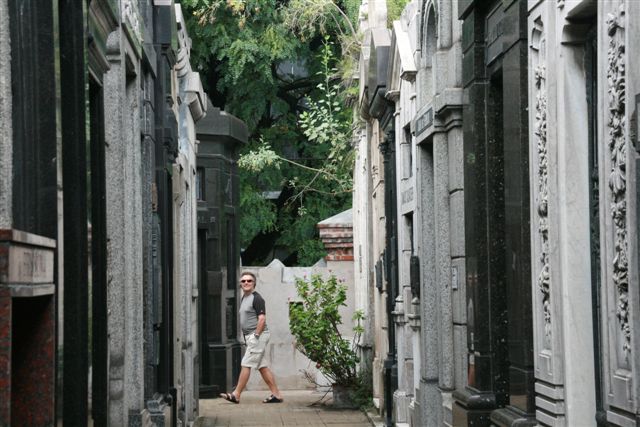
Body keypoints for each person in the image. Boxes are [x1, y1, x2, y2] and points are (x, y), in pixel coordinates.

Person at [220, 271, 283, 404]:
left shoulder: (257, 298)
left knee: (246, 364)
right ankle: (276, 394)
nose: (246, 283)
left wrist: (255, 336)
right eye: (243, 281)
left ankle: (236, 395)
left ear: (254, 283)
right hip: (251, 336)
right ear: (240, 284)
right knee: (262, 366)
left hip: (257, 336)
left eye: (249, 281)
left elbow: (262, 319)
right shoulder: (244, 298)